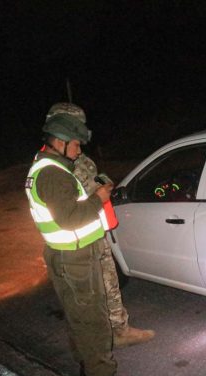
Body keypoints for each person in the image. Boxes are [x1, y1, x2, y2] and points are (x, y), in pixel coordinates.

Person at [25, 113, 140, 376]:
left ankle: (87, 368)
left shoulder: (44, 166)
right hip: (75, 258)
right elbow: (70, 218)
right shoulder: (53, 174)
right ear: (60, 142)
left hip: (66, 255)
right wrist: (99, 198)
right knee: (93, 319)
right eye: (76, 144)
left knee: (78, 316)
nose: (78, 151)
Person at [45, 103, 154, 349]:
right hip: (77, 241)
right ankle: (98, 345)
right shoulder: (56, 164)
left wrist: (103, 186)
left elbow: (91, 179)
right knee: (89, 296)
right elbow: (68, 206)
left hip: (94, 229)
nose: (80, 132)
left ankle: (119, 330)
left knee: (109, 282)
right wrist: (98, 195)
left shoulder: (77, 155)